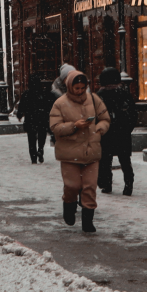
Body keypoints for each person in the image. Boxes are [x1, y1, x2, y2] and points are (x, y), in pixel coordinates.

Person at [49, 70, 110, 233]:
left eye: (83, 87)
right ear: (69, 87)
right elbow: (55, 127)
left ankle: (87, 222)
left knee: (90, 187)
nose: (80, 91)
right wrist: (74, 125)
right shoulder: (60, 104)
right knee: (72, 186)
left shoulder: (94, 99)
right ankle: (68, 205)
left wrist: (99, 129)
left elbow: (105, 118)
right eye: (77, 88)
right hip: (70, 153)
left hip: (91, 152)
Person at [97, 68, 137, 196]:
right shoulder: (124, 94)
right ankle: (128, 183)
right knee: (124, 160)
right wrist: (127, 128)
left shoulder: (100, 96)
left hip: (107, 133)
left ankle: (107, 184)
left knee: (105, 160)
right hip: (121, 133)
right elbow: (133, 114)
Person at [14, 75, 55, 163]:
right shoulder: (43, 93)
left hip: (30, 119)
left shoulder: (27, 94)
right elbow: (49, 106)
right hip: (42, 119)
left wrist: (20, 115)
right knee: (42, 135)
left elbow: (22, 106)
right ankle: (40, 149)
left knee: (31, 139)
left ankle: (33, 158)